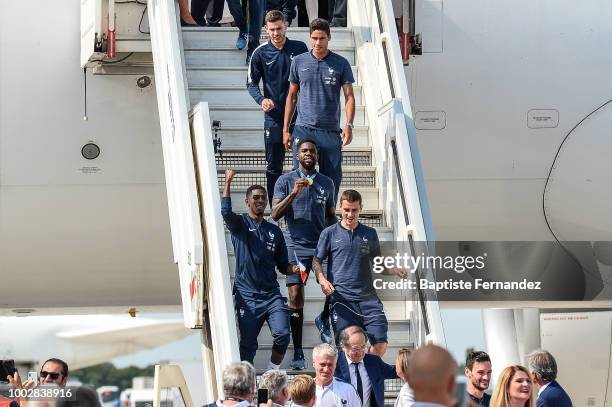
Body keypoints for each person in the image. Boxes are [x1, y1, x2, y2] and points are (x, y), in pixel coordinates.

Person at [221, 169, 300, 368]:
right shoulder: (240, 224)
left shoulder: (274, 231)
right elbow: (225, 212)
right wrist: (228, 182)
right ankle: (244, 383)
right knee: (248, 345)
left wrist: (296, 269)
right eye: (255, 198)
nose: (260, 201)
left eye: (263, 198)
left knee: (282, 334)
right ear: (247, 201)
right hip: (247, 297)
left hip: (271, 295)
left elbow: (283, 266)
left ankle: (272, 372)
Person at [314, 190, 404, 356]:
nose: (350, 214)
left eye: (354, 210)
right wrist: (321, 279)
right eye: (346, 210)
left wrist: (394, 270)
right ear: (340, 208)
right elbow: (316, 261)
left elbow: (378, 264)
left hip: (368, 300)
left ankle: (364, 370)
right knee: (347, 350)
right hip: (342, 300)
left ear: (360, 208)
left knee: (381, 345)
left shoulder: (370, 233)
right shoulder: (329, 233)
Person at [271, 139, 336, 369]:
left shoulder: (327, 183)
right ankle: (298, 352)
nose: (309, 154)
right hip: (295, 246)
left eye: (312, 151)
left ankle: (324, 319)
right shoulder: (285, 180)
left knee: (334, 284)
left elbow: (330, 216)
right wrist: (294, 193)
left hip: (320, 245)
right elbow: (275, 214)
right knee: (295, 295)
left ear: (317, 156)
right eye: (304, 151)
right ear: (297, 156)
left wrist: (336, 239)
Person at [284, 18, 356, 201]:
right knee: (300, 179)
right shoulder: (299, 61)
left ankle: (328, 222)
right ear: (310, 37)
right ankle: (301, 222)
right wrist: (286, 129)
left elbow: (349, 97)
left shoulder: (341, 63)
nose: (317, 42)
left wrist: (349, 124)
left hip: (330, 131)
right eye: (314, 38)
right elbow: (291, 96)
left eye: (322, 38)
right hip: (303, 128)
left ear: (329, 38)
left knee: (332, 179)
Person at [247, 10, 309, 206]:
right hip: (273, 118)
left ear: (286, 26)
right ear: (266, 29)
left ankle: (301, 204)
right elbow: (250, 83)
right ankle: (276, 205)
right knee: (274, 166)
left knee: (302, 165)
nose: (276, 33)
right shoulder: (260, 52)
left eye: (279, 28)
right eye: (272, 29)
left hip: (300, 118)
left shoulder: (300, 48)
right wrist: (261, 99)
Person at [334, 326, 398, 407]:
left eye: (363, 347)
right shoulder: (334, 364)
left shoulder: (374, 362)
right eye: (355, 349)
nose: (360, 353)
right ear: (343, 346)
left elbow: (396, 370)